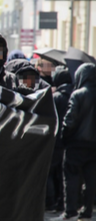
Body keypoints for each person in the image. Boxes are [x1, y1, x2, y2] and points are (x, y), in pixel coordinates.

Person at [59, 64, 96, 221]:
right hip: (94, 146)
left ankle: (71, 211)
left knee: (71, 178)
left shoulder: (78, 95)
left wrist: (64, 137)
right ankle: (87, 211)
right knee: (91, 179)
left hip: (75, 144)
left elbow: (70, 121)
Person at [49, 66, 73, 213]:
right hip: (70, 141)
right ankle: (63, 203)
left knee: (50, 173)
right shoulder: (74, 94)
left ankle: (51, 202)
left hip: (56, 141)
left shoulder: (56, 97)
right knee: (64, 175)